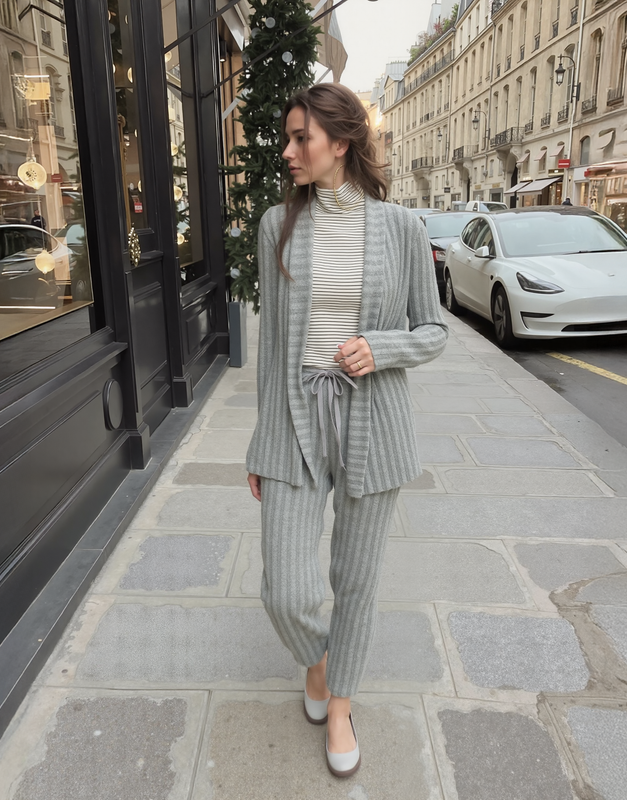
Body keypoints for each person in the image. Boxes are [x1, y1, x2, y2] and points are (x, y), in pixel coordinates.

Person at [245, 83, 448, 778]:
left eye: (301, 137)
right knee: (285, 589)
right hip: (298, 419)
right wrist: (260, 439)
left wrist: (381, 347)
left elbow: (433, 330)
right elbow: (273, 343)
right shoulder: (277, 224)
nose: (289, 150)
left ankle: (338, 705)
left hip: (372, 419)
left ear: (343, 142)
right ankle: (324, 664)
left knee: (356, 578)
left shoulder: (400, 228)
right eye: (288, 136)